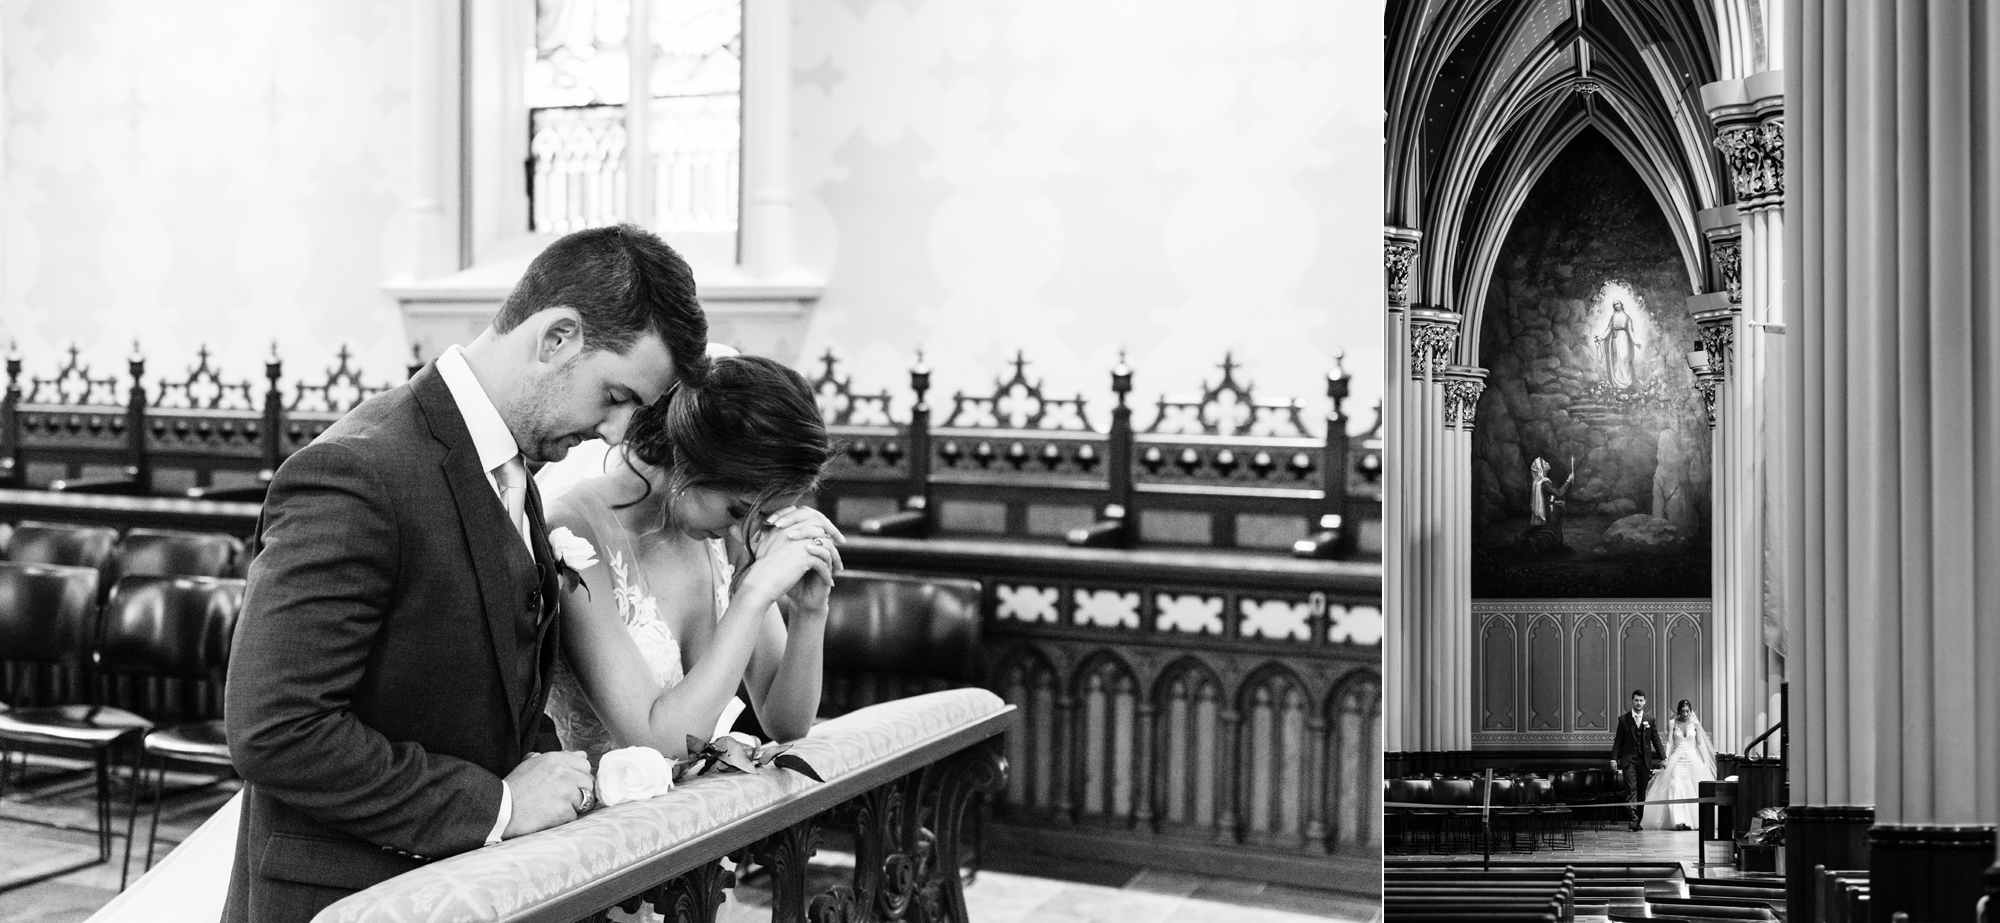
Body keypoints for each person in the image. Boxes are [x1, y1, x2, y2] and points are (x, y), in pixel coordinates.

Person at [219, 224, 707, 923]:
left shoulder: (513, 473)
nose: (616, 431)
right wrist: (499, 805)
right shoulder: (360, 469)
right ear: (558, 337)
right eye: (616, 395)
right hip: (349, 897)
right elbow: (276, 728)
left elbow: (480, 695)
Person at [542, 352, 841, 766]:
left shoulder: (726, 535)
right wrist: (751, 597)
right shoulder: (574, 535)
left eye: (763, 515)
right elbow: (657, 744)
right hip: (597, 821)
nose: (746, 532)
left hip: (696, 820)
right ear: (688, 460)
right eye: (738, 510)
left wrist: (810, 612)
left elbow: (785, 722)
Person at [1640, 699, 1718, 831]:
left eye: (1688, 711)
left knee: (1692, 788)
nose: (1685, 713)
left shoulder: (1696, 724)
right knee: (1675, 785)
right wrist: (1665, 758)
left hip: (1692, 758)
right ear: (1678, 711)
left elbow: (1699, 744)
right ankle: (1678, 820)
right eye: (1682, 711)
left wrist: (1704, 761)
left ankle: (1692, 820)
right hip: (1677, 758)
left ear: (1691, 711)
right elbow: (1670, 742)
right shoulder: (1673, 723)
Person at [1611, 689, 1665, 831]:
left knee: (1641, 792)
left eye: (1641, 700)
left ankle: (1638, 820)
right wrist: (1613, 759)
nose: (1639, 703)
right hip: (1629, 760)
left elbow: (1656, 740)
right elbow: (1618, 741)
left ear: (1645, 702)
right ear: (1632, 701)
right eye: (1636, 700)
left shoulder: (1650, 720)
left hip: (1644, 761)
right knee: (1631, 790)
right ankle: (1633, 819)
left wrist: (1663, 757)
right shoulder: (1623, 719)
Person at [1596, 300, 1641, 388]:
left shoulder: (1627, 317)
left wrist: (1635, 342)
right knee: (1616, 358)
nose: (1616, 306)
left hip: (1624, 338)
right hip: (1615, 339)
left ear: (1621, 304)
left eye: (1618, 304)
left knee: (1623, 357)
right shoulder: (1613, 317)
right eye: (1614, 305)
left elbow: (1630, 331)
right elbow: (1609, 328)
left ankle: (1627, 380)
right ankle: (1618, 382)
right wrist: (1603, 337)